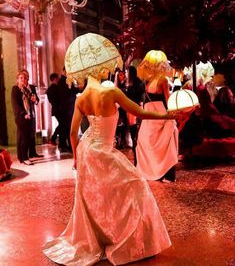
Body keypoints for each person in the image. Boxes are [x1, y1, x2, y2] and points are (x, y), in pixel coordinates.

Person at [43, 34, 185, 266]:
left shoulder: (81, 97)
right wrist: (166, 115)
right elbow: (140, 113)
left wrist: (77, 158)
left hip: (88, 150)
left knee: (96, 196)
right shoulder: (111, 93)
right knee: (134, 185)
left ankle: (102, 236)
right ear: (99, 69)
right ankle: (125, 238)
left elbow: (72, 133)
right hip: (103, 150)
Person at [136, 50, 178, 183]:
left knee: (148, 143)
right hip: (159, 115)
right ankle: (165, 173)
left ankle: (155, 171)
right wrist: (173, 115)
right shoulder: (162, 80)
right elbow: (168, 100)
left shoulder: (148, 83)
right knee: (166, 145)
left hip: (150, 116)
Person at [11, 71, 33, 165]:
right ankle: (25, 158)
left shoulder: (25, 90)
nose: (23, 80)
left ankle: (21, 157)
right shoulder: (15, 89)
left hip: (28, 115)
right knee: (25, 137)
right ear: (17, 80)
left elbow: (31, 100)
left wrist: (34, 99)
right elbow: (15, 104)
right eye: (21, 78)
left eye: (24, 78)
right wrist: (23, 113)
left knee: (23, 137)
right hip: (20, 116)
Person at [125, 65, 145, 165]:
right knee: (133, 136)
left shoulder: (137, 84)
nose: (125, 74)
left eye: (126, 72)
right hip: (130, 111)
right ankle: (136, 160)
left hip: (135, 110)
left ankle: (138, 161)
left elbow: (141, 97)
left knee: (136, 136)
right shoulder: (128, 84)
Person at [22, 69, 43, 158]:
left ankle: (33, 152)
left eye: (27, 76)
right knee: (26, 135)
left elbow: (37, 100)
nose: (26, 78)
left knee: (32, 133)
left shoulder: (32, 87)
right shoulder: (20, 88)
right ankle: (25, 155)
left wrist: (36, 101)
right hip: (25, 114)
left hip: (32, 113)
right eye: (24, 77)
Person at [57, 67, 78, 152]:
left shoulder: (68, 80)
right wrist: (77, 89)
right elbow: (66, 94)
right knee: (66, 127)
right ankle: (64, 145)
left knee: (66, 127)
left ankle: (66, 145)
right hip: (65, 109)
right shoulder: (62, 81)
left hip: (69, 107)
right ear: (64, 71)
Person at [46, 73, 61, 145]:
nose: (59, 79)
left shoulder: (49, 89)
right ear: (55, 79)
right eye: (58, 78)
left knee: (62, 124)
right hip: (59, 109)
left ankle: (53, 139)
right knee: (62, 124)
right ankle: (52, 139)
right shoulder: (57, 88)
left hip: (55, 109)